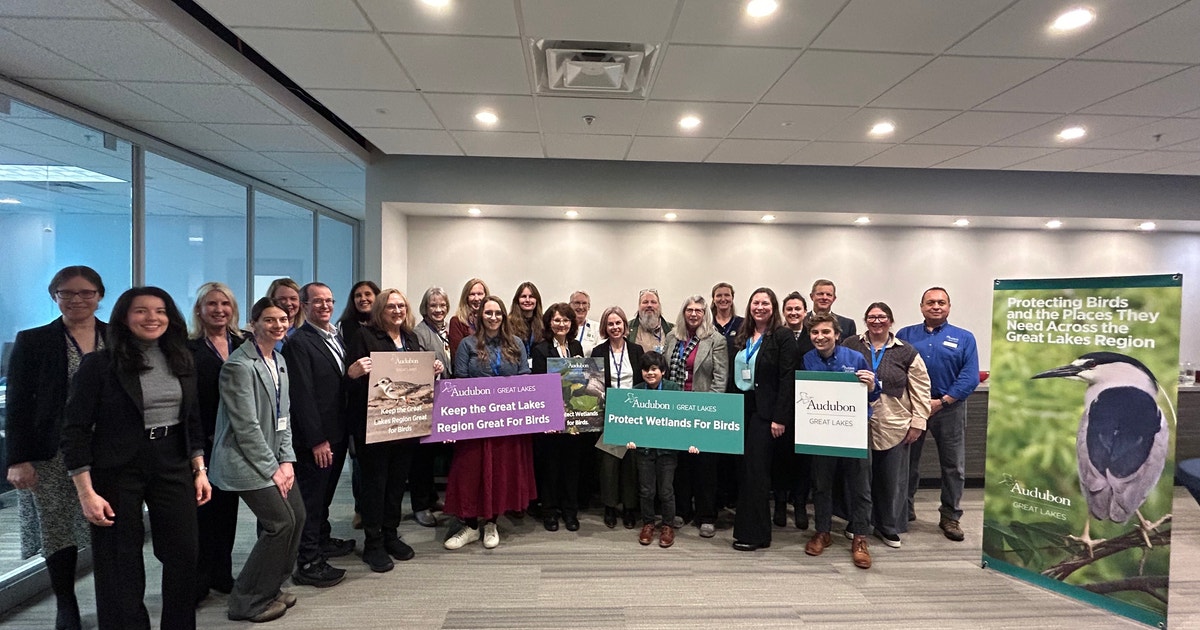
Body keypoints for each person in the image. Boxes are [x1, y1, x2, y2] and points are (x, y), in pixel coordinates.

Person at [62, 286, 211, 630]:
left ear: (170, 317)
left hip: (172, 460)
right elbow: (75, 429)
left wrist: (199, 469)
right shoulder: (100, 364)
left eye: (159, 311)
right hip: (117, 466)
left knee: (183, 553)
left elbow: (192, 419)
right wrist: (86, 492)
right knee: (119, 560)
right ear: (125, 318)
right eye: (141, 311)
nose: (151, 318)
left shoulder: (182, 358)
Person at [6, 266, 106, 630]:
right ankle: (67, 603)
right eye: (67, 293)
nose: (77, 299)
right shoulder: (33, 341)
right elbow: (17, 404)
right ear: (55, 296)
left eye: (86, 292)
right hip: (51, 454)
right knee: (57, 529)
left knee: (108, 526)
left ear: (100, 295)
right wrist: (17, 459)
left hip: (107, 451)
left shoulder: (118, 337)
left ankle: (112, 598)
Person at [209, 297, 302, 623]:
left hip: (274, 458)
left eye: (283, 319)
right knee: (280, 524)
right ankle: (246, 600)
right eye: (269, 320)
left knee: (298, 516)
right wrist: (272, 468)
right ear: (253, 324)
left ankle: (270, 587)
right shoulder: (238, 366)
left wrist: (287, 460)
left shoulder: (277, 359)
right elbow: (245, 427)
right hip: (244, 460)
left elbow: (283, 415)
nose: (278, 325)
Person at [345, 289, 442, 570]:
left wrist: (431, 368)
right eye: (391, 306)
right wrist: (353, 373)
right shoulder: (364, 337)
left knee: (398, 484)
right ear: (380, 310)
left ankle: (390, 534)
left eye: (401, 306)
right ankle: (373, 543)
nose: (397, 311)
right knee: (375, 484)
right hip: (375, 427)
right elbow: (349, 382)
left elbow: (415, 377)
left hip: (406, 425)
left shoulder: (410, 338)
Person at [444, 296, 537, 550]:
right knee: (470, 474)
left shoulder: (516, 343)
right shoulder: (467, 344)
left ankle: (492, 523)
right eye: (488, 313)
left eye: (498, 313)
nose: (493, 317)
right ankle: (471, 526)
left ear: (504, 316)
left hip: (506, 423)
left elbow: (525, 378)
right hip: (474, 423)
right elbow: (459, 380)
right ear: (480, 316)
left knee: (499, 473)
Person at [282, 282, 354, 587]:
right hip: (318, 438)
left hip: (337, 431)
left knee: (324, 496)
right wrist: (316, 440)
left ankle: (322, 541)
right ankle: (309, 561)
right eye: (318, 301)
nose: (325, 306)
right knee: (311, 500)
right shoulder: (299, 342)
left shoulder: (334, 337)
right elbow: (302, 396)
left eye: (329, 300)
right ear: (304, 305)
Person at [843, 303, 930, 548]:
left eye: (882, 317)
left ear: (890, 321)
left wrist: (918, 422)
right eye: (871, 317)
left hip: (894, 421)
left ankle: (887, 526)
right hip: (855, 420)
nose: (877, 321)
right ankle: (859, 521)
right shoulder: (851, 344)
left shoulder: (906, 351)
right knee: (859, 476)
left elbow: (921, 388)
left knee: (891, 478)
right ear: (865, 320)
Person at [896, 287, 980, 542]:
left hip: (949, 408)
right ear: (921, 306)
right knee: (907, 463)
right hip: (913, 408)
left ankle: (950, 516)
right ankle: (903, 509)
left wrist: (942, 401)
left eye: (941, 302)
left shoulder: (964, 338)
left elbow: (970, 376)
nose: (936, 306)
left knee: (953, 465)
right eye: (930, 302)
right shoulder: (905, 335)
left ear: (949, 307)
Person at [801, 314, 879, 570]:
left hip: (854, 428)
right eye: (814, 333)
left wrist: (869, 385)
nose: (820, 337)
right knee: (821, 483)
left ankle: (860, 537)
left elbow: (874, 390)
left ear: (836, 335)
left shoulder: (854, 358)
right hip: (822, 430)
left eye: (825, 332)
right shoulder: (808, 359)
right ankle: (823, 531)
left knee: (860, 484)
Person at [187, 281, 244, 603]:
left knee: (228, 511)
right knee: (201, 513)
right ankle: (198, 578)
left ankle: (222, 572)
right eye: (211, 304)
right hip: (202, 441)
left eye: (224, 304)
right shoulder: (187, 348)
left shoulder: (243, 343)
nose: (219, 310)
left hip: (235, 442)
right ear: (199, 310)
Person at [665, 294, 728, 538]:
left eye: (698, 310)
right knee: (681, 463)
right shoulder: (673, 337)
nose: (693, 314)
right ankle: (682, 510)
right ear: (683, 312)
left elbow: (720, 378)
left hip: (704, 410)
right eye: (689, 309)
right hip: (676, 410)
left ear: (705, 314)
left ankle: (706, 514)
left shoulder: (716, 340)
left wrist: (709, 409)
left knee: (705, 465)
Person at [729, 288, 782, 551]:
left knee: (757, 473)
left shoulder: (781, 336)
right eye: (755, 303)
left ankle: (756, 534)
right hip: (741, 409)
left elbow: (787, 379)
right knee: (744, 471)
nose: (759, 307)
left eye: (765, 303)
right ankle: (749, 530)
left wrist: (780, 417)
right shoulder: (743, 335)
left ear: (773, 307)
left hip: (765, 413)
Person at [530, 303, 586, 532]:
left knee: (572, 467)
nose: (561, 324)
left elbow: (581, 381)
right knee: (551, 468)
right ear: (549, 323)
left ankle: (570, 511)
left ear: (571, 324)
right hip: (551, 420)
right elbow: (540, 387)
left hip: (573, 419)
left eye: (565, 320)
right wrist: (549, 417)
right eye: (556, 320)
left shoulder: (576, 346)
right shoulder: (540, 349)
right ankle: (550, 512)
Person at [626, 351, 690, 549]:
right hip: (644, 450)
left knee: (666, 490)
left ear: (663, 371)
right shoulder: (635, 391)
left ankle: (668, 526)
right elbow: (629, 421)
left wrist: (691, 442)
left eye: (654, 369)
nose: (650, 373)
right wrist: (629, 439)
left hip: (667, 451)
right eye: (646, 369)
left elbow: (684, 419)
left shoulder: (674, 390)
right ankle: (648, 523)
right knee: (646, 490)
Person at [590, 306, 643, 529]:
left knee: (631, 462)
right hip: (609, 411)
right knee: (609, 463)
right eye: (610, 324)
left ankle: (629, 508)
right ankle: (610, 507)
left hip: (632, 412)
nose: (615, 327)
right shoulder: (598, 352)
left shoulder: (637, 350)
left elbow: (643, 379)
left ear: (625, 326)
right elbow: (594, 383)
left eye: (618, 323)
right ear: (605, 327)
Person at [408, 286, 455, 528]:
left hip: (446, 399)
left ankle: (431, 497)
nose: (438, 309)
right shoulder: (419, 333)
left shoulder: (446, 331)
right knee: (423, 456)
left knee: (436, 452)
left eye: (442, 305)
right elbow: (417, 368)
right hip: (428, 401)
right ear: (425, 308)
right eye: (433, 305)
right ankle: (420, 505)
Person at [774, 292, 815, 529]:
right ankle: (780, 503)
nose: (793, 313)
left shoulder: (814, 336)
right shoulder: (777, 336)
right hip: (783, 406)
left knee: (803, 461)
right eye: (789, 309)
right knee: (781, 458)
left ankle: (799, 505)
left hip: (808, 408)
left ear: (805, 311)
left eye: (797, 309)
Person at [448, 277, 489, 358]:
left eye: (480, 294)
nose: (476, 298)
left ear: (486, 296)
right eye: (472, 294)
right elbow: (458, 355)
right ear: (466, 297)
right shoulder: (457, 321)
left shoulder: (491, 320)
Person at [627, 288, 673, 354]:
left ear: (659, 306)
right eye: (645, 302)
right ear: (639, 306)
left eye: (653, 302)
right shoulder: (628, 328)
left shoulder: (671, 330)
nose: (649, 305)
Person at [336, 280, 380, 345]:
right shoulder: (343, 326)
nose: (363, 299)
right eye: (358, 295)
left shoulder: (385, 325)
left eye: (367, 294)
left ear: (377, 297)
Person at [509, 281, 544, 361]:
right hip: (517, 366)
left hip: (538, 368)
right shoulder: (508, 323)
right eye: (523, 296)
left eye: (531, 296)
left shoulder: (544, 323)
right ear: (517, 300)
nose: (527, 300)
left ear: (537, 300)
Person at [569, 290, 602, 354]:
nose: (581, 307)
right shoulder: (564, 327)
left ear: (588, 307)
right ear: (570, 305)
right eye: (577, 303)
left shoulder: (597, 328)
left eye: (584, 303)